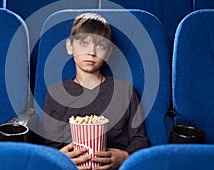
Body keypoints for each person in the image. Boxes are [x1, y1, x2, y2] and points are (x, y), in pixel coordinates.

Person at [42, 13, 149, 169]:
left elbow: (140, 140)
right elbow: (48, 145)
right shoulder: (56, 94)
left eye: (100, 45)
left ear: (108, 52)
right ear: (70, 46)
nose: (91, 52)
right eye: (84, 43)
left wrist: (124, 156)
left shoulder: (125, 91)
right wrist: (60, 158)